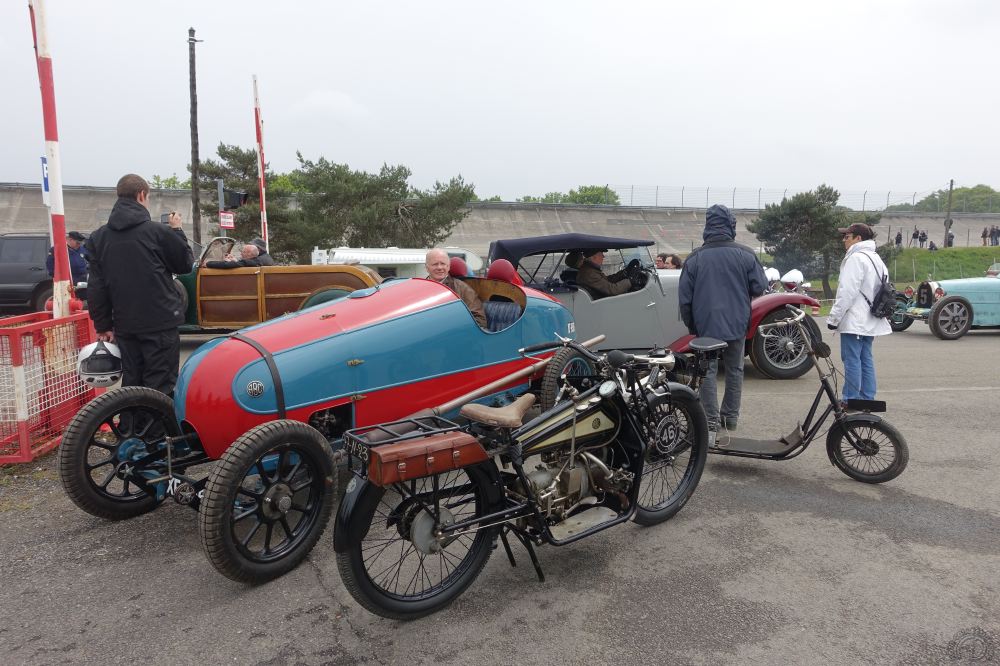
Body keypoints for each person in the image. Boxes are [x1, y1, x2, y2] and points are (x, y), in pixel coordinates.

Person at [86, 174, 194, 396]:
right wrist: (177, 231)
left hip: (125, 324)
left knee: (132, 381)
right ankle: (156, 431)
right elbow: (184, 264)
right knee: (161, 384)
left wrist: (102, 325)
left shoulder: (99, 238)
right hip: (160, 321)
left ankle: (131, 428)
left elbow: (97, 286)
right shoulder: (158, 232)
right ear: (141, 195)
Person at [679, 204, 767, 433]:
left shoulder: (694, 258)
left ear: (707, 226)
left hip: (705, 324)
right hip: (737, 322)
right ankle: (730, 418)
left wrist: (692, 325)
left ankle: (710, 420)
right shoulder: (746, 254)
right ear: (731, 225)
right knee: (735, 369)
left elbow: (684, 300)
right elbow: (760, 287)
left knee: (706, 371)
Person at [826, 223, 891, 404]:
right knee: (865, 358)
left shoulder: (856, 258)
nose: (843, 240)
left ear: (858, 239)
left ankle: (851, 399)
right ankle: (867, 398)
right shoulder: (877, 258)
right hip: (871, 318)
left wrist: (834, 318)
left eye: (847, 236)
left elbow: (847, 291)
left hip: (855, 318)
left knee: (852, 359)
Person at [425, 248, 486, 327]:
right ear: (427, 267)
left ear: (449, 267)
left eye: (443, 264)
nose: (439, 267)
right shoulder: (418, 288)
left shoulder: (463, 289)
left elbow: (480, 321)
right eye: (435, 264)